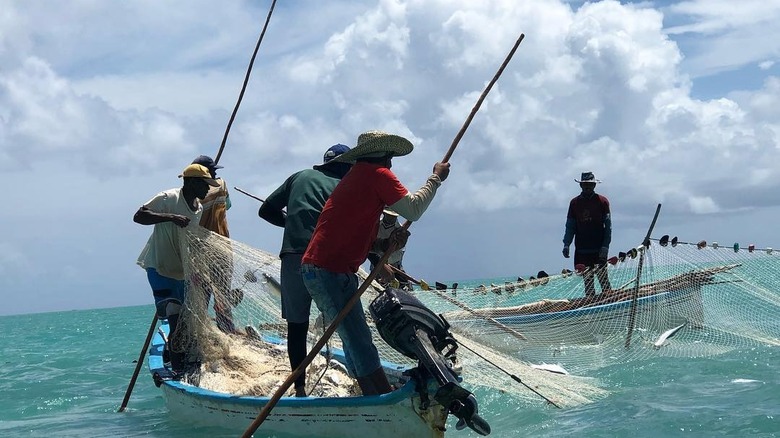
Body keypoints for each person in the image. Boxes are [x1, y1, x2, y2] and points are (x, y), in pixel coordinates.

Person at [300, 130, 450, 396]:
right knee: (359, 340)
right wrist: (436, 178)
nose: (392, 163)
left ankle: (371, 392)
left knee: (354, 338)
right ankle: (379, 396)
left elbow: (356, 234)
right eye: (390, 157)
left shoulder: (357, 177)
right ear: (383, 155)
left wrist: (387, 244)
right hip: (328, 270)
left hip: (326, 268)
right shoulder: (376, 174)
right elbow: (413, 209)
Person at [258, 144, 352, 397]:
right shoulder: (344, 186)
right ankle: (362, 381)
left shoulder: (299, 176)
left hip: (293, 257)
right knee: (344, 322)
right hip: (325, 258)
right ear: (346, 165)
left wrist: (291, 221)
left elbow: (265, 210)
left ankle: (299, 389)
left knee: (297, 327)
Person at [134, 163, 220, 371]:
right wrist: (170, 217)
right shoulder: (168, 197)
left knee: (184, 323)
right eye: (204, 184)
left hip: (182, 271)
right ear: (190, 182)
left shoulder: (198, 208)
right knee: (175, 319)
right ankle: (178, 370)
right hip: (160, 267)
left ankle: (186, 363)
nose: (208, 189)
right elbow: (139, 216)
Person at [190, 155, 237, 333]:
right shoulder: (222, 185)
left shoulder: (192, 194)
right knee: (223, 293)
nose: (216, 173)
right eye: (213, 170)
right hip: (223, 246)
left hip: (199, 249)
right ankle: (227, 330)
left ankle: (200, 332)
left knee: (201, 294)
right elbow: (229, 205)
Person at [562, 171, 612, 298]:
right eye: (585, 184)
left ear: (595, 185)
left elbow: (608, 226)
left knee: (603, 279)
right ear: (581, 186)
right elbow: (570, 225)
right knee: (588, 282)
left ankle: (610, 304)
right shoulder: (574, 203)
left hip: (599, 248)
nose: (588, 187)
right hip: (582, 249)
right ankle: (592, 310)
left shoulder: (602, 201)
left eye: (590, 184)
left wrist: (605, 247)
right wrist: (566, 244)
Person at [367, 209, 409, 289]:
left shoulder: (400, 231)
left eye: (393, 216)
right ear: (383, 213)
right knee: (376, 288)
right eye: (389, 215)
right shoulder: (375, 226)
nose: (391, 218)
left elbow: (400, 252)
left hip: (395, 265)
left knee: (404, 287)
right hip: (377, 264)